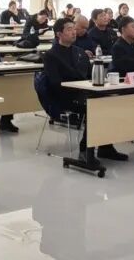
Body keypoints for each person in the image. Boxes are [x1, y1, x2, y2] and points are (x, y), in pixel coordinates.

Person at [43, 18, 128, 164]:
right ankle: (85, 150)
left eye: (74, 29)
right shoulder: (51, 55)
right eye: (69, 29)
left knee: (109, 103)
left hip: (84, 92)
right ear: (59, 34)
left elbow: (89, 76)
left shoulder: (79, 52)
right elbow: (55, 83)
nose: (73, 32)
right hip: (65, 96)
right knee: (96, 107)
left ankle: (105, 147)